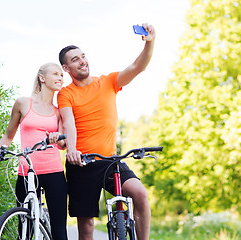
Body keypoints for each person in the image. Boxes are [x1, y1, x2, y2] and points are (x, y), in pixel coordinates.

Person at [57, 23, 156, 240]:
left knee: (139, 193)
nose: (82, 61)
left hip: (111, 161)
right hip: (81, 163)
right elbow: (69, 124)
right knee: (86, 226)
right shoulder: (65, 94)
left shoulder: (108, 82)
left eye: (83, 56)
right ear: (66, 68)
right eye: (75, 59)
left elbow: (138, 66)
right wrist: (72, 149)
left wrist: (150, 43)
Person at [0, 62, 68, 240]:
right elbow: (8, 135)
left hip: (54, 172)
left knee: (59, 231)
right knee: (25, 230)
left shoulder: (59, 111)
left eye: (61, 75)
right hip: (26, 172)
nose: (60, 78)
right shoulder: (22, 103)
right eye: (56, 74)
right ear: (42, 77)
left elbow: (63, 145)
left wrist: (58, 137)